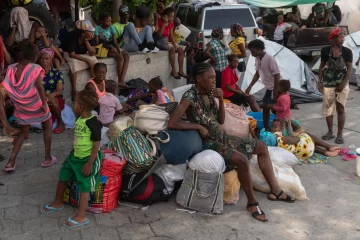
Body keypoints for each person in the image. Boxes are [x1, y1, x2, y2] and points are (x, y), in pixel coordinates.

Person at [168, 62, 296, 222]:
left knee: (262, 146)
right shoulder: (189, 97)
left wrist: (221, 99)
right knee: (241, 160)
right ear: (199, 78)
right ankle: (252, 202)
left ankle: (275, 190)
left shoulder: (209, 93)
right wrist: (198, 126)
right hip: (208, 143)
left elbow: (221, 119)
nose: (214, 81)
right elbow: (172, 123)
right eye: (211, 78)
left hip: (222, 138)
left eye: (215, 77)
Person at [41, 90, 103, 228]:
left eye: (74, 103)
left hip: (88, 159)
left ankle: (81, 215)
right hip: (74, 156)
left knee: (85, 185)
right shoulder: (79, 118)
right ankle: (58, 202)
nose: (73, 104)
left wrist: (90, 163)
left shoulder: (93, 123)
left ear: (80, 106)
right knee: (63, 175)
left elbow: (96, 145)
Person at [2, 42, 56, 172]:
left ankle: (11, 161)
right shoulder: (35, 68)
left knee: (23, 132)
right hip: (36, 104)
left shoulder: (12, 68)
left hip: (22, 106)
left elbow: (8, 84)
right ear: (35, 55)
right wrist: (44, 103)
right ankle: (47, 157)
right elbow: (40, 87)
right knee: (46, 127)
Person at [318, 29, 352, 144]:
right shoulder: (325, 50)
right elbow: (322, 67)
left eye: (343, 37)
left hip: (342, 82)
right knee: (329, 109)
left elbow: (349, 69)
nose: (342, 39)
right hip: (328, 82)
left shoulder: (347, 51)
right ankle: (330, 132)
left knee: (340, 108)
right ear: (333, 39)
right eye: (340, 37)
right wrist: (319, 81)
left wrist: (343, 84)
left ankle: (339, 134)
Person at [251, 120, 341, 158]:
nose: (274, 129)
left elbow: (258, 142)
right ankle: (329, 146)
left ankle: (325, 152)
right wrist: (294, 136)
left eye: (276, 127)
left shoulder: (268, 146)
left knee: (306, 143)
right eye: (273, 128)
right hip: (304, 150)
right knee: (305, 135)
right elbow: (296, 140)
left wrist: (252, 133)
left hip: (302, 151)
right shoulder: (281, 138)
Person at [245, 39, 281, 130]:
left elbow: (277, 75)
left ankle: (283, 126)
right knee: (267, 108)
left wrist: (276, 90)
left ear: (259, 49)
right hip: (269, 87)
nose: (251, 54)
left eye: (252, 51)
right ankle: (266, 129)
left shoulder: (269, 58)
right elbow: (257, 73)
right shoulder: (257, 58)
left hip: (276, 87)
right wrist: (250, 86)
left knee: (276, 109)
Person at [63, 20, 98, 100]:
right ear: (82, 33)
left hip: (80, 54)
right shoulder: (71, 36)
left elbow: (92, 53)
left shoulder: (90, 37)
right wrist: (87, 61)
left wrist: (86, 41)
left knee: (93, 59)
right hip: (69, 54)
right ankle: (74, 90)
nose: (91, 33)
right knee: (74, 63)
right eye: (89, 31)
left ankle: (94, 84)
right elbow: (72, 54)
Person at [95, 12, 129, 89]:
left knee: (126, 55)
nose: (110, 23)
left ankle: (121, 80)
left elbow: (115, 42)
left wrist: (118, 50)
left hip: (112, 46)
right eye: (107, 21)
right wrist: (110, 47)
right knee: (119, 58)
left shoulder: (111, 28)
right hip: (103, 48)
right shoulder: (98, 28)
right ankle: (121, 82)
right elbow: (97, 43)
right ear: (102, 21)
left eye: (110, 21)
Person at [38, 48, 66, 134]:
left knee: (52, 102)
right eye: (42, 58)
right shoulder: (36, 73)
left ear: (51, 60)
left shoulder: (57, 73)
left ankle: (60, 122)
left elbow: (59, 91)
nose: (44, 61)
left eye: (47, 58)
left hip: (55, 99)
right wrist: (44, 97)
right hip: (40, 98)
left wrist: (51, 95)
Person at [156, 7, 186, 80]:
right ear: (165, 16)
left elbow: (171, 35)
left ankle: (181, 71)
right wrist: (164, 24)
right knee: (172, 49)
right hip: (162, 41)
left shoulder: (171, 23)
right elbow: (159, 34)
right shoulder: (159, 21)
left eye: (173, 17)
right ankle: (173, 71)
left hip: (169, 41)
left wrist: (175, 43)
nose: (172, 18)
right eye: (171, 17)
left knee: (181, 50)